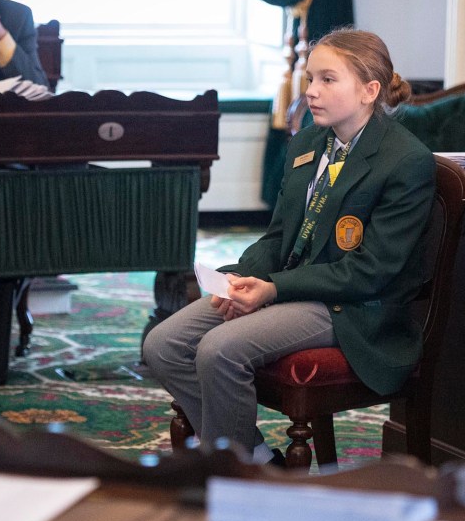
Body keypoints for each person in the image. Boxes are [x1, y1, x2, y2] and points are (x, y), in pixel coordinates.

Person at [143, 28, 435, 464]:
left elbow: (370, 271)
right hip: (293, 284)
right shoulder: (309, 141)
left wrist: (273, 288)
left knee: (220, 349)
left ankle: (233, 479)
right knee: (163, 344)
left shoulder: (405, 161)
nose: (311, 92)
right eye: (310, 79)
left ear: (369, 91)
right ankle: (256, 461)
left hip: (353, 309)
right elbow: (280, 233)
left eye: (328, 80)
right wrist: (243, 276)